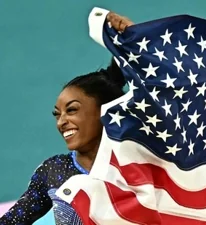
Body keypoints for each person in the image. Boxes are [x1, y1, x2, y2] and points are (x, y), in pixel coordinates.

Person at [0, 11, 135, 225]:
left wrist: (137, 41)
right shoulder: (54, 171)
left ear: (105, 111)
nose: (61, 121)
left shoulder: (140, 161)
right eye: (57, 114)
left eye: (71, 110)